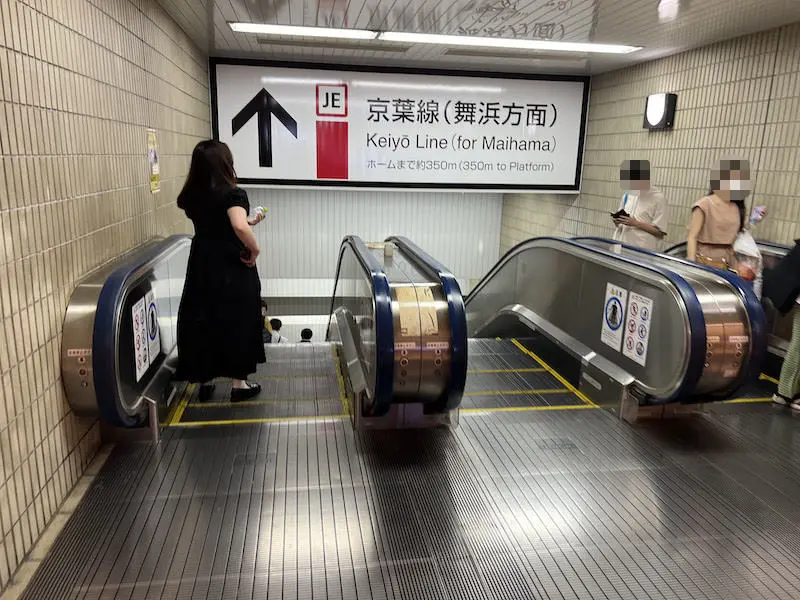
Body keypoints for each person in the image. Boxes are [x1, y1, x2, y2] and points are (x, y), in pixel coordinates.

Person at [175, 140, 266, 402]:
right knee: (239, 318)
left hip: (203, 263)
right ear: (225, 163)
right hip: (231, 264)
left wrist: (247, 222)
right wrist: (254, 247)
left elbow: (218, 223)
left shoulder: (193, 196)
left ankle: (206, 381)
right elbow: (237, 226)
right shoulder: (232, 193)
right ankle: (239, 385)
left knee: (205, 317)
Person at [686, 158, 750, 270]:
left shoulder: (736, 207)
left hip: (729, 261)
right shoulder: (704, 204)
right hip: (704, 260)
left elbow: (735, 234)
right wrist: (691, 265)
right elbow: (692, 236)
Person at [611, 159, 667, 251]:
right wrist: (617, 221)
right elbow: (622, 221)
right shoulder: (627, 195)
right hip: (620, 246)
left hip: (642, 251)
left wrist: (636, 223)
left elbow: (660, 232)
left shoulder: (658, 198)